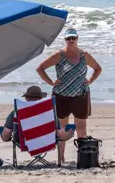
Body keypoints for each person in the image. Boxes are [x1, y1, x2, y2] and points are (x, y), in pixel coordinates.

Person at [36, 27, 101, 156]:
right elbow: (40, 68)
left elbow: (98, 68)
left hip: (80, 95)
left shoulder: (85, 55)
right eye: (68, 38)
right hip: (61, 96)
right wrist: (51, 82)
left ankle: (84, 157)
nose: (71, 40)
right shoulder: (59, 55)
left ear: (77, 39)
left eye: (73, 38)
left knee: (81, 128)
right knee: (62, 129)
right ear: (65, 40)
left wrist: (90, 80)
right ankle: (61, 158)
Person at [0, 85, 75, 164]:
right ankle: (67, 135)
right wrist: (67, 134)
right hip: (47, 141)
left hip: (24, 142)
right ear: (40, 98)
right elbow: (59, 133)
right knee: (61, 133)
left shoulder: (17, 112)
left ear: (26, 98)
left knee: (5, 133)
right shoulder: (48, 112)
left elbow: (6, 135)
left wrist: (5, 136)